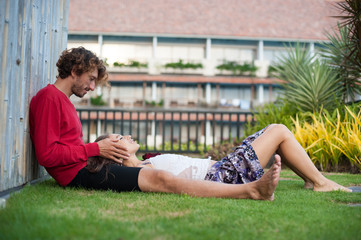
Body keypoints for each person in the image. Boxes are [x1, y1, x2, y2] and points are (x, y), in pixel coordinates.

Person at [29, 46, 282, 201]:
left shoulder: (63, 102)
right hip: (76, 175)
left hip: (82, 168)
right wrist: (96, 149)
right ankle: (251, 191)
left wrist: (96, 150)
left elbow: (62, 148)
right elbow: (47, 155)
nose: (93, 86)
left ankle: (251, 189)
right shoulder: (49, 98)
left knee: (156, 175)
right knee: (159, 178)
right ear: (75, 69)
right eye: (91, 79)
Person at [87, 126, 351, 193]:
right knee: (279, 131)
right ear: (115, 151)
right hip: (225, 175)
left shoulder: (145, 165)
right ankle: (319, 182)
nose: (128, 135)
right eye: (120, 137)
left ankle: (310, 179)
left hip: (224, 166)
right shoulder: (147, 171)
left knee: (274, 131)